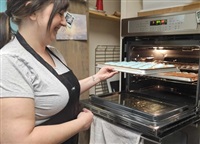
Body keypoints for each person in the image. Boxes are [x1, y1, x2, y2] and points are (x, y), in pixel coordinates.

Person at [0, 0, 118, 144]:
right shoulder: (10, 60)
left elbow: (62, 91)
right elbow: (19, 140)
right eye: (60, 13)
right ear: (32, 11)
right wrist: (80, 124)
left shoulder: (53, 53)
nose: (64, 22)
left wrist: (98, 77)